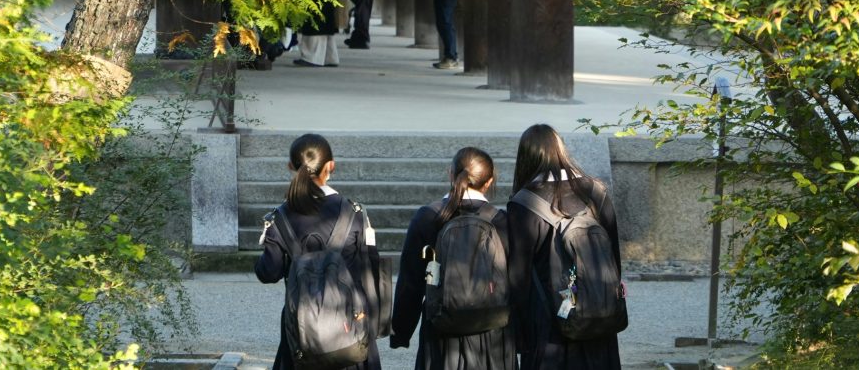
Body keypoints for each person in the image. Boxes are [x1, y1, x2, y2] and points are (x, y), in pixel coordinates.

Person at [254, 134, 383, 370]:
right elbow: (370, 270)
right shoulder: (354, 212)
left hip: (302, 327)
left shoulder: (280, 217)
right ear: (331, 166)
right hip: (349, 325)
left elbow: (268, 273)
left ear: (290, 167)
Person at [506, 124, 623, 370]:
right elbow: (613, 255)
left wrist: (517, 327)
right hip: (598, 308)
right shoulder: (596, 191)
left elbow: (519, 274)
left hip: (548, 320)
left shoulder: (523, 202)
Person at [390, 147, 517, 370]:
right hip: (493, 334)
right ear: (489, 182)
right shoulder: (500, 221)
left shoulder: (428, 217)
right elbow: (517, 279)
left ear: (450, 174)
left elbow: (410, 282)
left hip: (441, 332)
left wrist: (401, 331)